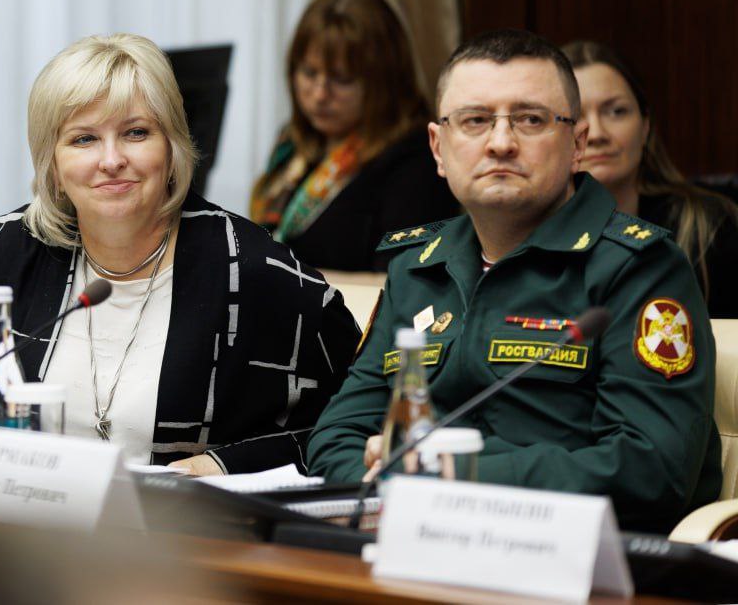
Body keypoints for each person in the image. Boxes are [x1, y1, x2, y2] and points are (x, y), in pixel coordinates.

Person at [0, 34, 360, 474]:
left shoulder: (251, 269)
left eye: (136, 133)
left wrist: (226, 464)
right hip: (12, 528)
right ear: (52, 164)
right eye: (84, 139)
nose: (112, 160)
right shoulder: (11, 248)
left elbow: (353, 422)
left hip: (177, 542)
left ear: (172, 148)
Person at [307, 29, 720, 533]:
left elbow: (651, 468)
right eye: (475, 120)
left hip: (569, 557)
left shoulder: (638, 268)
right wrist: (391, 497)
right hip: (407, 539)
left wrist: (455, 476)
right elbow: (336, 436)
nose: (501, 143)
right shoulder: (416, 268)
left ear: (577, 144)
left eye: (530, 120)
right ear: (438, 148)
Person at [251, 0, 458, 272]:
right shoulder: (293, 144)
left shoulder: (419, 163)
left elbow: (404, 279)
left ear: (383, 82)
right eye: (309, 72)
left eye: (342, 79)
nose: (319, 94)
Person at [563, 41, 738, 319]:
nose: (596, 134)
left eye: (616, 111)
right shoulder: (521, 232)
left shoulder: (710, 227)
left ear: (645, 127)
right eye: (575, 117)